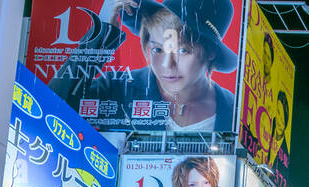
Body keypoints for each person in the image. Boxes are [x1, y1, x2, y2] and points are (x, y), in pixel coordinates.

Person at [48, 0, 239, 133]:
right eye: (157, 50)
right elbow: (51, 110)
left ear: (211, 52)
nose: (166, 64)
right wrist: (102, 33)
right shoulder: (119, 88)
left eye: (182, 51)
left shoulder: (231, 111)